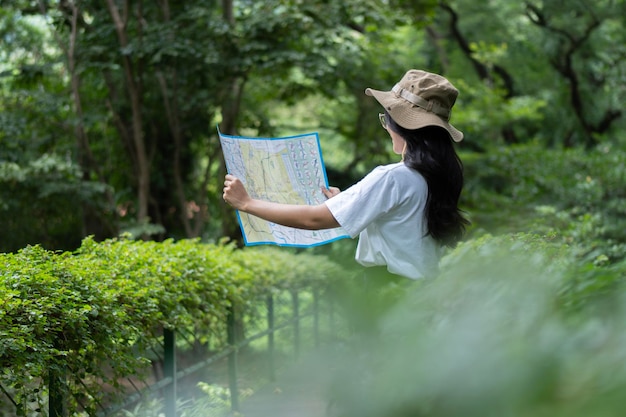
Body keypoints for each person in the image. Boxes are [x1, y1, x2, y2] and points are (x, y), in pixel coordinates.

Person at [223, 69, 469, 283]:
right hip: (424, 291)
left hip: (388, 291)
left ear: (401, 125)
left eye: (386, 120)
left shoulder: (393, 177)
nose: (386, 127)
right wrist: (345, 202)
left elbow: (314, 220)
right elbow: (403, 234)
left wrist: (247, 203)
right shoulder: (440, 175)